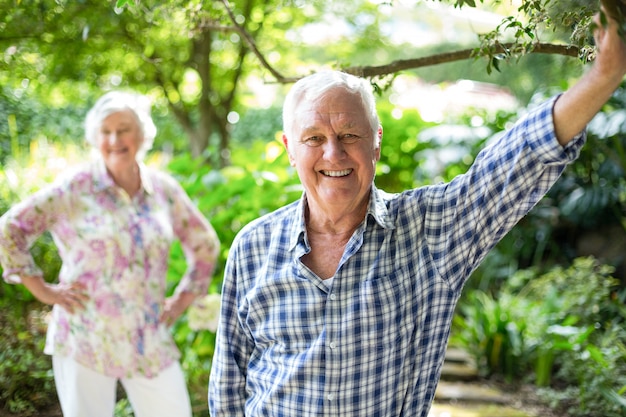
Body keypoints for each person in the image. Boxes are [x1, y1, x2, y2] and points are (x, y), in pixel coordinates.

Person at [208, 9, 626, 417]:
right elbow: (228, 389)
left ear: (376, 142)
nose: (333, 153)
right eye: (314, 137)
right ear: (289, 149)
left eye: (349, 134)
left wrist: (604, 75)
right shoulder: (253, 246)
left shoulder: (428, 231)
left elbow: (513, 167)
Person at [0, 90, 220, 417]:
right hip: (84, 335)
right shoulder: (74, 187)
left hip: (148, 336)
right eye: (106, 131)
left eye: (124, 129)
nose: (114, 139)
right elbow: (11, 228)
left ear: (142, 134)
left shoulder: (163, 190)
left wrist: (182, 300)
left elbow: (205, 244)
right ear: (95, 138)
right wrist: (42, 291)